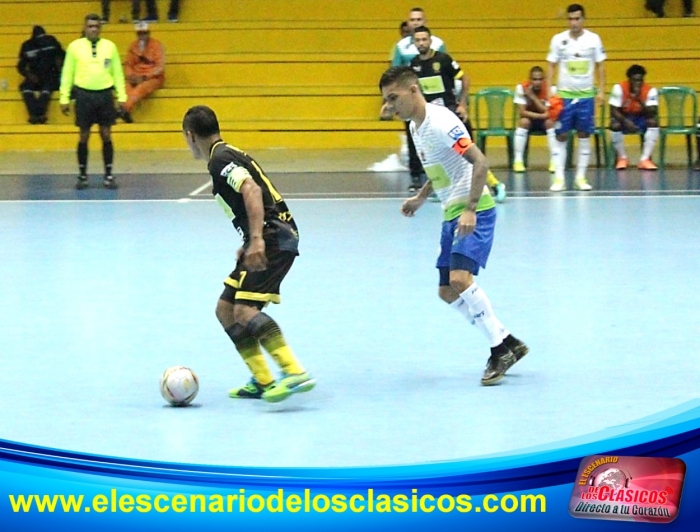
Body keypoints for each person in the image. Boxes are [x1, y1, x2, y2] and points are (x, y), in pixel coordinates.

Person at [379, 66, 528, 386]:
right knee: (447, 291)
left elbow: (480, 162)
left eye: (393, 97)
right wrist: (421, 197)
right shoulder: (416, 127)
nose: (390, 106)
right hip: (451, 212)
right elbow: (440, 168)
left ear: (413, 90)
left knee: (460, 279)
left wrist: (471, 209)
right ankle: (507, 340)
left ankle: (499, 350)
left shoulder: (442, 122)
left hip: (475, 210)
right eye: (387, 100)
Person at [182, 105, 315, 403]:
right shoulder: (226, 153)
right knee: (226, 309)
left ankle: (294, 372)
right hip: (270, 234)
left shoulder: (220, 159)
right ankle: (263, 380)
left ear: (190, 136)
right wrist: (248, 240)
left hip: (272, 238)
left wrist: (256, 239)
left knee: (244, 311)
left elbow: (251, 190)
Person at [409, 26, 506, 202]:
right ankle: (444, 188)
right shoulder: (414, 65)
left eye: (424, 39)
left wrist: (462, 104)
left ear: (430, 41)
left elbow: (464, 78)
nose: (421, 43)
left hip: (451, 116)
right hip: (432, 120)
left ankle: (495, 185)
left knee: (468, 155)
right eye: (418, 40)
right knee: (439, 155)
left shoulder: (443, 59)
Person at [59, 14, 127, 190]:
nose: (94, 29)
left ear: (100, 28)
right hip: (83, 95)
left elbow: (117, 73)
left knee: (106, 134)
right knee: (84, 135)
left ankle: (109, 175)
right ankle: (82, 175)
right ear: (85, 28)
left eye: (96, 26)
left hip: (105, 95)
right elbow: (67, 73)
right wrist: (64, 97)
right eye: (90, 26)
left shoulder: (110, 47)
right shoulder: (75, 47)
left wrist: (122, 96)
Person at [546, 4, 606, 191]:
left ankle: (581, 177)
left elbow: (600, 65)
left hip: (586, 96)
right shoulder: (558, 40)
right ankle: (559, 178)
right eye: (571, 19)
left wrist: (601, 90)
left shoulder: (594, 39)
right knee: (561, 135)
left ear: (583, 19)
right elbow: (551, 65)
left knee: (584, 134)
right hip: (564, 96)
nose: (574, 23)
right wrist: (549, 91)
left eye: (577, 19)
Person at [388, 7, 447, 193]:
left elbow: (445, 69)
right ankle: (416, 177)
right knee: (414, 138)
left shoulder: (438, 44)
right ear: (408, 23)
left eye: (419, 19)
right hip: (410, 101)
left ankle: (440, 177)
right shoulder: (401, 47)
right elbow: (394, 74)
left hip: (435, 101)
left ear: (425, 21)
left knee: (436, 138)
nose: (416, 22)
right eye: (413, 20)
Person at [608, 64, 659, 170]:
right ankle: (622, 158)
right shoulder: (619, 88)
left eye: (640, 80)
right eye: (635, 80)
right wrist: (626, 121)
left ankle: (645, 159)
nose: (638, 83)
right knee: (614, 125)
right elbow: (613, 110)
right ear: (629, 79)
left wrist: (639, 99)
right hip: (624, 117)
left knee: (653, 123)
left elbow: (652, 112)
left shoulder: (650, 90)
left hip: (641, 117)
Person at [16, 25, 65, 124]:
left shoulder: (51, 41)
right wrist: (29, 74)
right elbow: (21, 65)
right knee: (26, 88)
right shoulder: (27, 45)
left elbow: (62, 56)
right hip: (35, 76)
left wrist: (59, 70)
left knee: (47, 88)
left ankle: (38, 114)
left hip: (51, 75)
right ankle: (35, 114)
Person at [512, 66, 557, 173]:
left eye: (540, 79)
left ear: (544, 80)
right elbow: (522, 112)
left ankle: (554, 160)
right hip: (530, 120)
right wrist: (542, 115)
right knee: (523, 122)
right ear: (530, 80)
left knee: (550, 123)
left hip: (544, 121)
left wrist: (532, 97)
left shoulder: (551, 90)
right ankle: (518, 160)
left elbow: (548, 111)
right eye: (534, 79)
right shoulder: (521, 88)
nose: (537, 82)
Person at [120, 21, 165, 123]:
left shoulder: (157, 46)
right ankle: (125, 111)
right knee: (126, 87)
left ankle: (124, 109)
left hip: (153, 78)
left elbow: (160, 67)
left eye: (144, 33)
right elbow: (129, 64)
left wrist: (145, 76)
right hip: (136, 76)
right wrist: (131, 76)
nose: (142, 36)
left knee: (141, 88)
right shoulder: (133, 46)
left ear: (148, 33)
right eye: (140, 33)